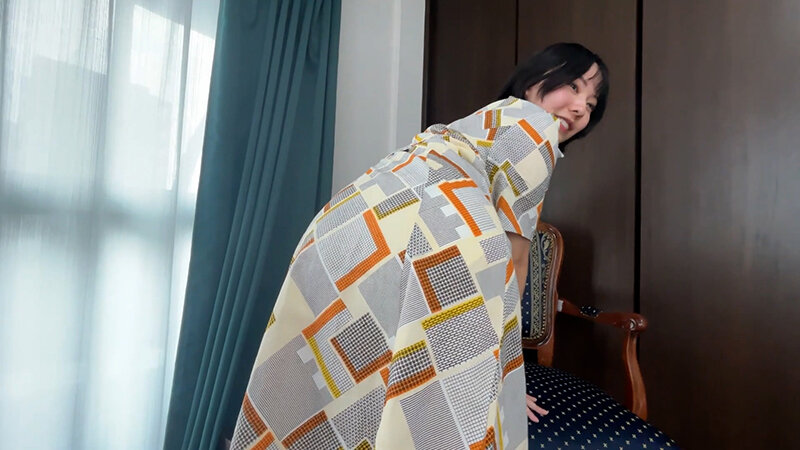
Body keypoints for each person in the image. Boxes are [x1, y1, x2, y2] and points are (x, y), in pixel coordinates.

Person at [230, 42, 609, 450]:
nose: (580, 108)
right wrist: (503, 377)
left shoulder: (485, 120)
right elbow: (515, 258)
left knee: (343, 365)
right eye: (573, 86)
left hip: (354, 217)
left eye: (591, 104)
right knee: (434, 397)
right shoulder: (536, 129)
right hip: (434, 228)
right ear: (534, 79)